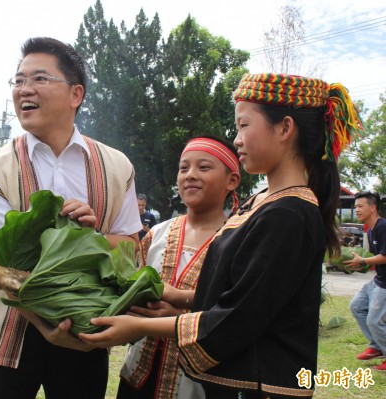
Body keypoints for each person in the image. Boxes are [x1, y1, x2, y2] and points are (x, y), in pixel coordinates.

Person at [80, 73, 364, 398]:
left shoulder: (290, 213)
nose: (238, 138)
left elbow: (238, 317)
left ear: (285, 128)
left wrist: (140, 326)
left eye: (244, 125)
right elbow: (243, 290)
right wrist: (179, 296)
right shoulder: (261, 202)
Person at [0, 37, 141, 399]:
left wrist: (91, 235)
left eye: (39, 79)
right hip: (9, 332)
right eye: (18, 81)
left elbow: (129, 248)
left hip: (85, 330)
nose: (23, 90)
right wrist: (84, 244)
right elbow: (4, 262)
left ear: (75, 94)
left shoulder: (117, 166)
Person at [118, 136, 240, 399]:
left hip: (199, 384)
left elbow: (239, 309)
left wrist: (181, 312)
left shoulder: (239, 240)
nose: (190, 175)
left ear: (232, 181)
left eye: (204, 167)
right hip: (138, 376)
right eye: (184, 168)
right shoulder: (156, 234)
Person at [347, 191, 386, 371]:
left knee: (374, 320)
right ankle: (376, 346)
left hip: (385, 284)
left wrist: (362, 261)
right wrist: (360, 265)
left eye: (360, 206)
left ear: (373, 207)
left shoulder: (383, 226)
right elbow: (374, 258)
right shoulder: (371, 230)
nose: (357, 210)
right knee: (357, 305)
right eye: (355, 207)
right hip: (378, 279)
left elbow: (385, 256)